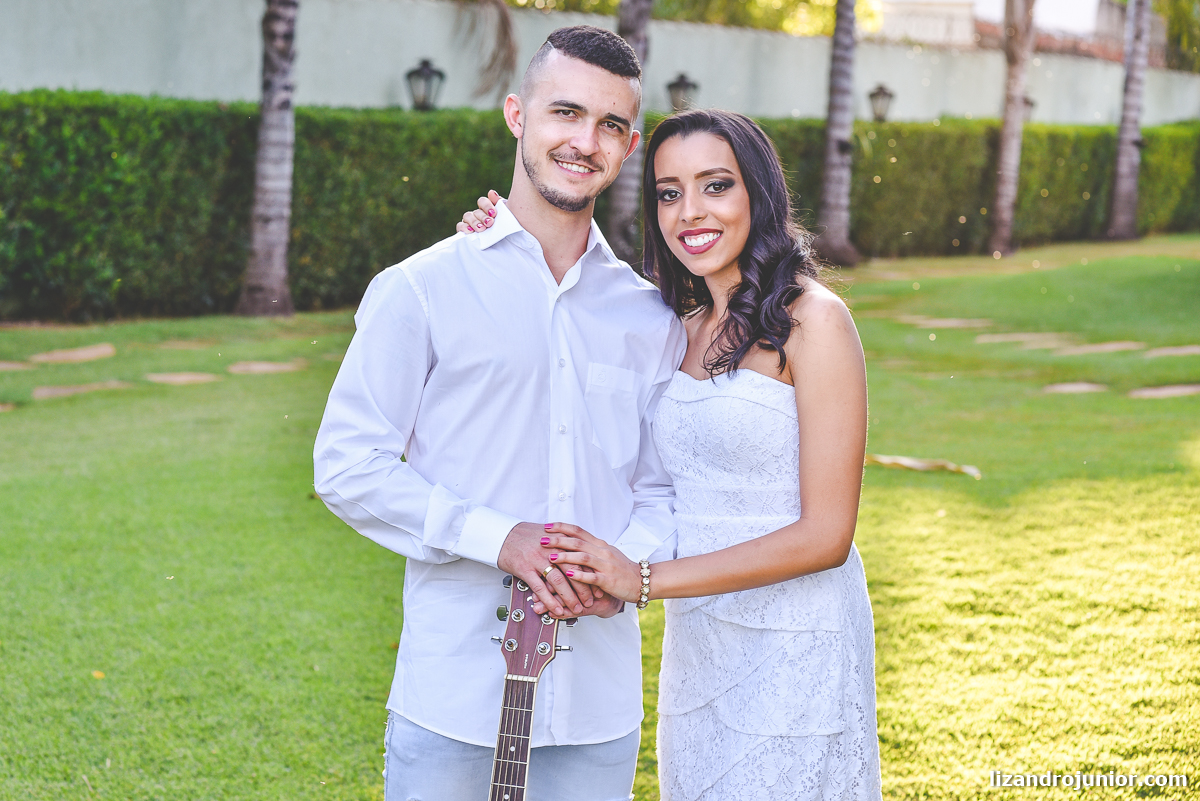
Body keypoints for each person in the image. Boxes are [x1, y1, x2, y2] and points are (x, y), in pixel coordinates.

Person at [459, 110, 880, 800]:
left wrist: (644, 580)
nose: (691, 212)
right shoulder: (674, 327)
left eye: (716, 186)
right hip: (701, 643)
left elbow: (827, 536)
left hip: (797, 637)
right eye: (668, 192)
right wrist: (500, 236)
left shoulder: (816, 321)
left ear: (758, 195)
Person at [313, 26, 685, 801]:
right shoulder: (420, 289)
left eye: (611, 125)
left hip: (597, 711)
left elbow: (665, 486)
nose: (584, 141)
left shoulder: (653, 317)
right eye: (565, 113)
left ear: (631, 145)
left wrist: (624, 569)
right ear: (518, 114)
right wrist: (499, 538)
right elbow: (348, 465)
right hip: (450, 701)